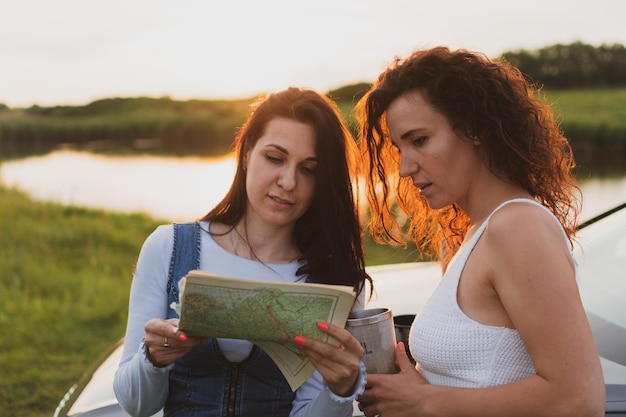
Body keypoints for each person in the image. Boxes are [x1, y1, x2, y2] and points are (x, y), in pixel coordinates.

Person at [355, 47, 605, 417]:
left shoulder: (519, 227)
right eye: (399, 147)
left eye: (419, 140)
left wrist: (423, 401)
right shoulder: (470, 234)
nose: (405, 167)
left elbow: (579, 400)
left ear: (473, 128)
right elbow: (474, 384)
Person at [113, 87, 372, 417]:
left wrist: (341, 390)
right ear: (247, 152)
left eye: (309, 169)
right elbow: (136, 405)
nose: (288, 181)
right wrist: (153, 358)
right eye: (275, 158)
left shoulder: (336, 279)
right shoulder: (169, 247)